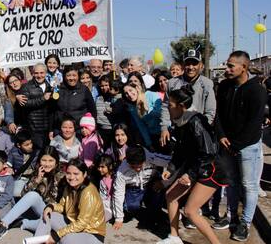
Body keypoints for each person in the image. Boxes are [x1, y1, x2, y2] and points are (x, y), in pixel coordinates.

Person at [157, 85, 227, 244]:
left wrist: (190, 175)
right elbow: (181, 150)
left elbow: (208, 153)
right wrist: (171, 168)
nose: (168, 107)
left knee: (190, 211)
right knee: (171, 196)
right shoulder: (180, 120)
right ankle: (174, 237)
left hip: (211, 170)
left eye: (171, 105)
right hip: (195, 168)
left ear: (181, 106)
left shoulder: (196, 121)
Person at [214, 51, 267, 241]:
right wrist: (221, 136)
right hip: (227, 144)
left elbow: (254, 123)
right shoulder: (225, 86)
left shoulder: (257, 90)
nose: (227, 69)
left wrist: (237, 144)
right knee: (231, 183)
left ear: (243, 67)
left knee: (249, 185)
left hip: (247, 147)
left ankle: (244, 223)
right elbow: (218, 114)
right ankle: (231, 218)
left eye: (231, 66)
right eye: (227, 65)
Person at [0, 146, 64, 241]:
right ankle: (3, 225)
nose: (47, 164)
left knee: (50, 226)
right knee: (33, 195)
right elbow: (24, 196)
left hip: (55, 213)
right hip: (41, 211)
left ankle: (24, 223)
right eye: (44, 160)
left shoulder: (62, 177)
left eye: (51, 161)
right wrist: (37, 180)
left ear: (56, 162)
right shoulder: (38, 173)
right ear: (39, 161)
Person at [34, 158, 106, 244]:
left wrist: (57, 235)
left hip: (91, 233)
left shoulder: (88, 192)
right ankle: (35, 241)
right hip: (74, 224)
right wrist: (51, 206)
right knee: (48, 215)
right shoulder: (69, 186)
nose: (71, 177)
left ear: (85, 174)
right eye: (68, 173)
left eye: (76, 174)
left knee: (66, 239)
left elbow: (82, 223)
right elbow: (62, 206)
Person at [160, 49, 216, 148]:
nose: (191, 67)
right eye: (187, 64)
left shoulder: (207, 84)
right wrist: (164, 128)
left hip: (198, 133)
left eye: (194, 64)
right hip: (176, 132)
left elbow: (210, 112)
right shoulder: (172, 83)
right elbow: (165, 106)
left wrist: (199, 129)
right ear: (183, 65)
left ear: (200, 65)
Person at [112, 146, 169, 231]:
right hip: (134, 189)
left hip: (151, 184)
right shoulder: (121, 171)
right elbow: (118, 194)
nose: (137, 169)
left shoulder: (152, 158)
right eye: (133, 167)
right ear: (127, 162)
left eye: (140, 165)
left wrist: (163, 182)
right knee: (131, 207)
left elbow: (173, 162)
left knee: (158, 195)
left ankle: (155, 213)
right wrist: (118, 219)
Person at [51, 65, 96, 135]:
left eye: (74, 75)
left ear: (78, 76)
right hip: (61, 130)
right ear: (64, 77)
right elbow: (52, 110)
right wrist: (51, 129)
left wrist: (91, 128)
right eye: (68, 75)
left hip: (79, 131)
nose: (71, 78)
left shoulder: (84, 90)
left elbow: (92, 110)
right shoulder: (58, 89)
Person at [19, 63, 52, 151]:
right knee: (37, 153)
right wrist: (43, 99)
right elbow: (25, 104)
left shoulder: (51, 86)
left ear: (46, 73)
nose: (39, 75)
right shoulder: (27, 87)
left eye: (41, 73)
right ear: (33, 73)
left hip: (48, 128)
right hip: (34, 128)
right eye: (36, 73)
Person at [8, 129, 39, 197]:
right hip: (20, 178)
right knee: (17, 193)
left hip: (33, 178)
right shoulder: (13, 152)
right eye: (26, 145)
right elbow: (8, 165)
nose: (30, 146)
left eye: (31, 143)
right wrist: (9, 169)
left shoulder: (36, 151)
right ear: (19, 145)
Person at [95, 75, 114, 147]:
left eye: (106, 85)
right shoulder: (98, 98)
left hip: (111, 129)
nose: (104, 88)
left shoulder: (113, 98)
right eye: (102, 86)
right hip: (101, 129)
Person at [95, 154, 115, 222]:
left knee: (99, 220)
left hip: (109, 208)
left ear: (110, 166)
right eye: (99, 167)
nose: (99, 169)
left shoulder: (114, 179)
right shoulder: (102, 179)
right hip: (101, 205)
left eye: (102, 167)